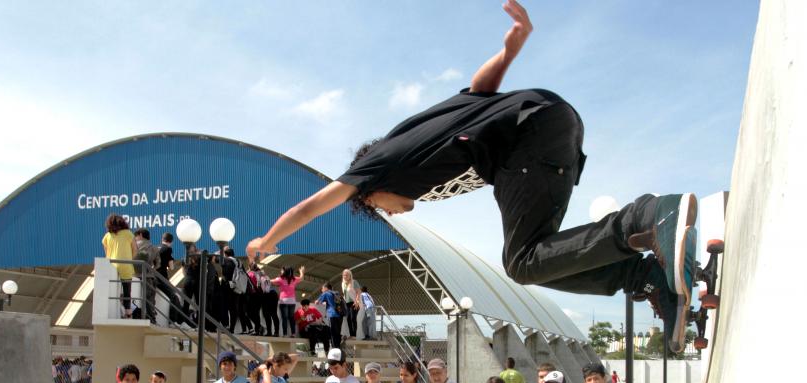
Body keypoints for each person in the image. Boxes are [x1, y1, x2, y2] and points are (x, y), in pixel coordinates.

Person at [246, 0, 698, 354]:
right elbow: (479, 91)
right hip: (552, 132)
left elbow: (311, 203)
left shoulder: (375, 167)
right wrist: (511, 48)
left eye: (381, 208)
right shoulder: (425, 134)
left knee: (520, 262)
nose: (399, 210)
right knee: (532, 260)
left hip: (530, 139)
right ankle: (643, 276)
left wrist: (266, 240)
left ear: (370, 194)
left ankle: (644, 217)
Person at [102, 213, 137, 318]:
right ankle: (128, 312)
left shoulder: (107, 236)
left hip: (112, 265)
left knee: (113, 288)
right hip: (126, 265)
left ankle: (112, 309)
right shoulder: (128, 233)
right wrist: (130, 258)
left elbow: (106, 251)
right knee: (127, 290)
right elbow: (135, 249)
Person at [133, 228, 161, 324]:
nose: (135, 238)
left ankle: (146, 318)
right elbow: (158, 264)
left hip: (138, 275)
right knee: (150, 299)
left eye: (135, 236)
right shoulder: (155, 248)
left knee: (142, 298)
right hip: (151, 277)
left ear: (140, 235)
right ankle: (152, 319)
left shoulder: (136, 245)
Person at [157, 232, 185, 325]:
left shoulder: (157, 248)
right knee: (174, 297)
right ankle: (174, 321)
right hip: (162, 277)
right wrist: (171, 261)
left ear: (162, 239)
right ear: (171, 241)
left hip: (155, 276)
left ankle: (180, 321)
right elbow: (171, 267)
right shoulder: (168, 249)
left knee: (173, 297)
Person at [271, 266, 304, 337]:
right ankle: (293, 333)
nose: (281, 271)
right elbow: (301, 278)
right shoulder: (294, 279)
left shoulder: (280, 279)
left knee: (284, 318)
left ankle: (285, 334)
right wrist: (301, 271)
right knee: (291, 318)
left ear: (285, 271)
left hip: (284, 301)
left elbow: (270, 281)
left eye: (282, 270)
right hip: (292, 301)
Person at [317, 282, 344, 349]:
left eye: (322, 288)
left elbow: (317, 302)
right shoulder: (336, 293)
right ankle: (338, 346)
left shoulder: (325, 293)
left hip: (332, 314)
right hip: (340, 315)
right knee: (338, 332)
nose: (322, 290)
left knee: (333, 332)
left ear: (326, 288)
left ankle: (334, 347)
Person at [341, 269, 362, 339]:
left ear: (350, 275)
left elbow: (359, 292)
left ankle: (355, 335)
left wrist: (357, 301)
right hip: (346, 303)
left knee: (353, 318)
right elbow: (344, 294)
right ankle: (351, 334)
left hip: (354, 302)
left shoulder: (354, 282)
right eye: (344, 275)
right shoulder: (343, 284)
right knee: (348, 319)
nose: (345, 276)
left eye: (347, 275)